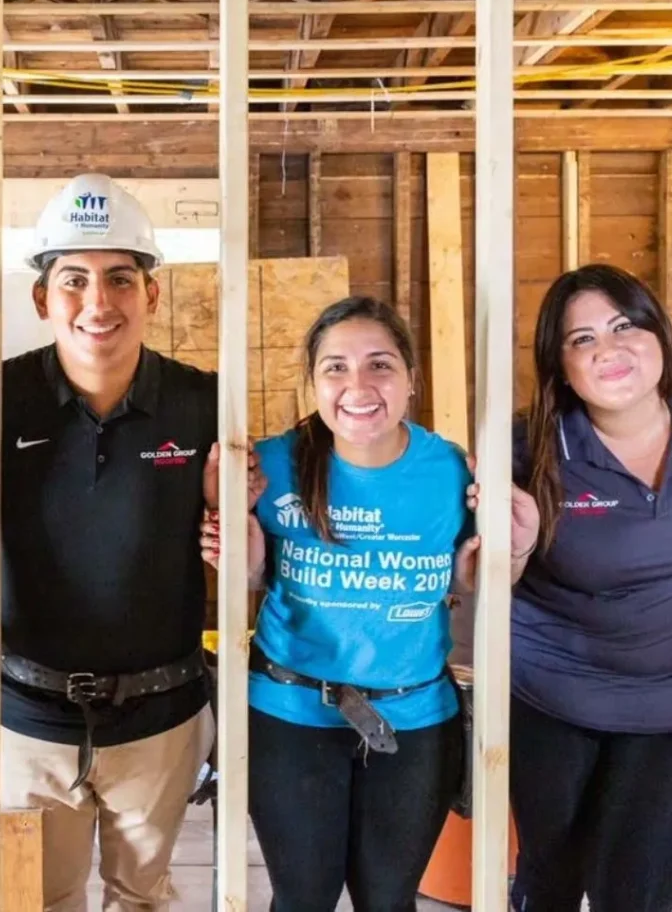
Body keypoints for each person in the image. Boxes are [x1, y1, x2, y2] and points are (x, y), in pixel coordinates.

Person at [0, 173, 262, 911]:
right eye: (74, 281)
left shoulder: (202, 403)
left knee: (143, 895)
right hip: (29, 717)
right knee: (39, 897)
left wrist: (238, 513)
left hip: (162, 717)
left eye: (121, 279)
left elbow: (240, 556)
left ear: (151, 296)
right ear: (42, 298)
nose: (99, 303)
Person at [202, 295, 537, 912]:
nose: (358, 385)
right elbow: (251, 579)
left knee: (388, 899)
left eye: (380, 365)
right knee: (303, 897)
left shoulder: (454, 473)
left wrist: (511, 554)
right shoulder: (271, 466)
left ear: (412, 379)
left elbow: (476, 584)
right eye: (335, 368)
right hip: (289, 715)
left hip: (413, 722)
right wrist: (237, 539)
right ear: (313, 382)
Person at [509, 263, 672, 912]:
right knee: (551, 883)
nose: (609, 349)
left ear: (658, 334)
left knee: (638, 896)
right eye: (582, 339)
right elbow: (477, 585)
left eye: (624, 326)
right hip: (552, 702)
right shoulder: (528, 449)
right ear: (561, 366)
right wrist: (512, 548)